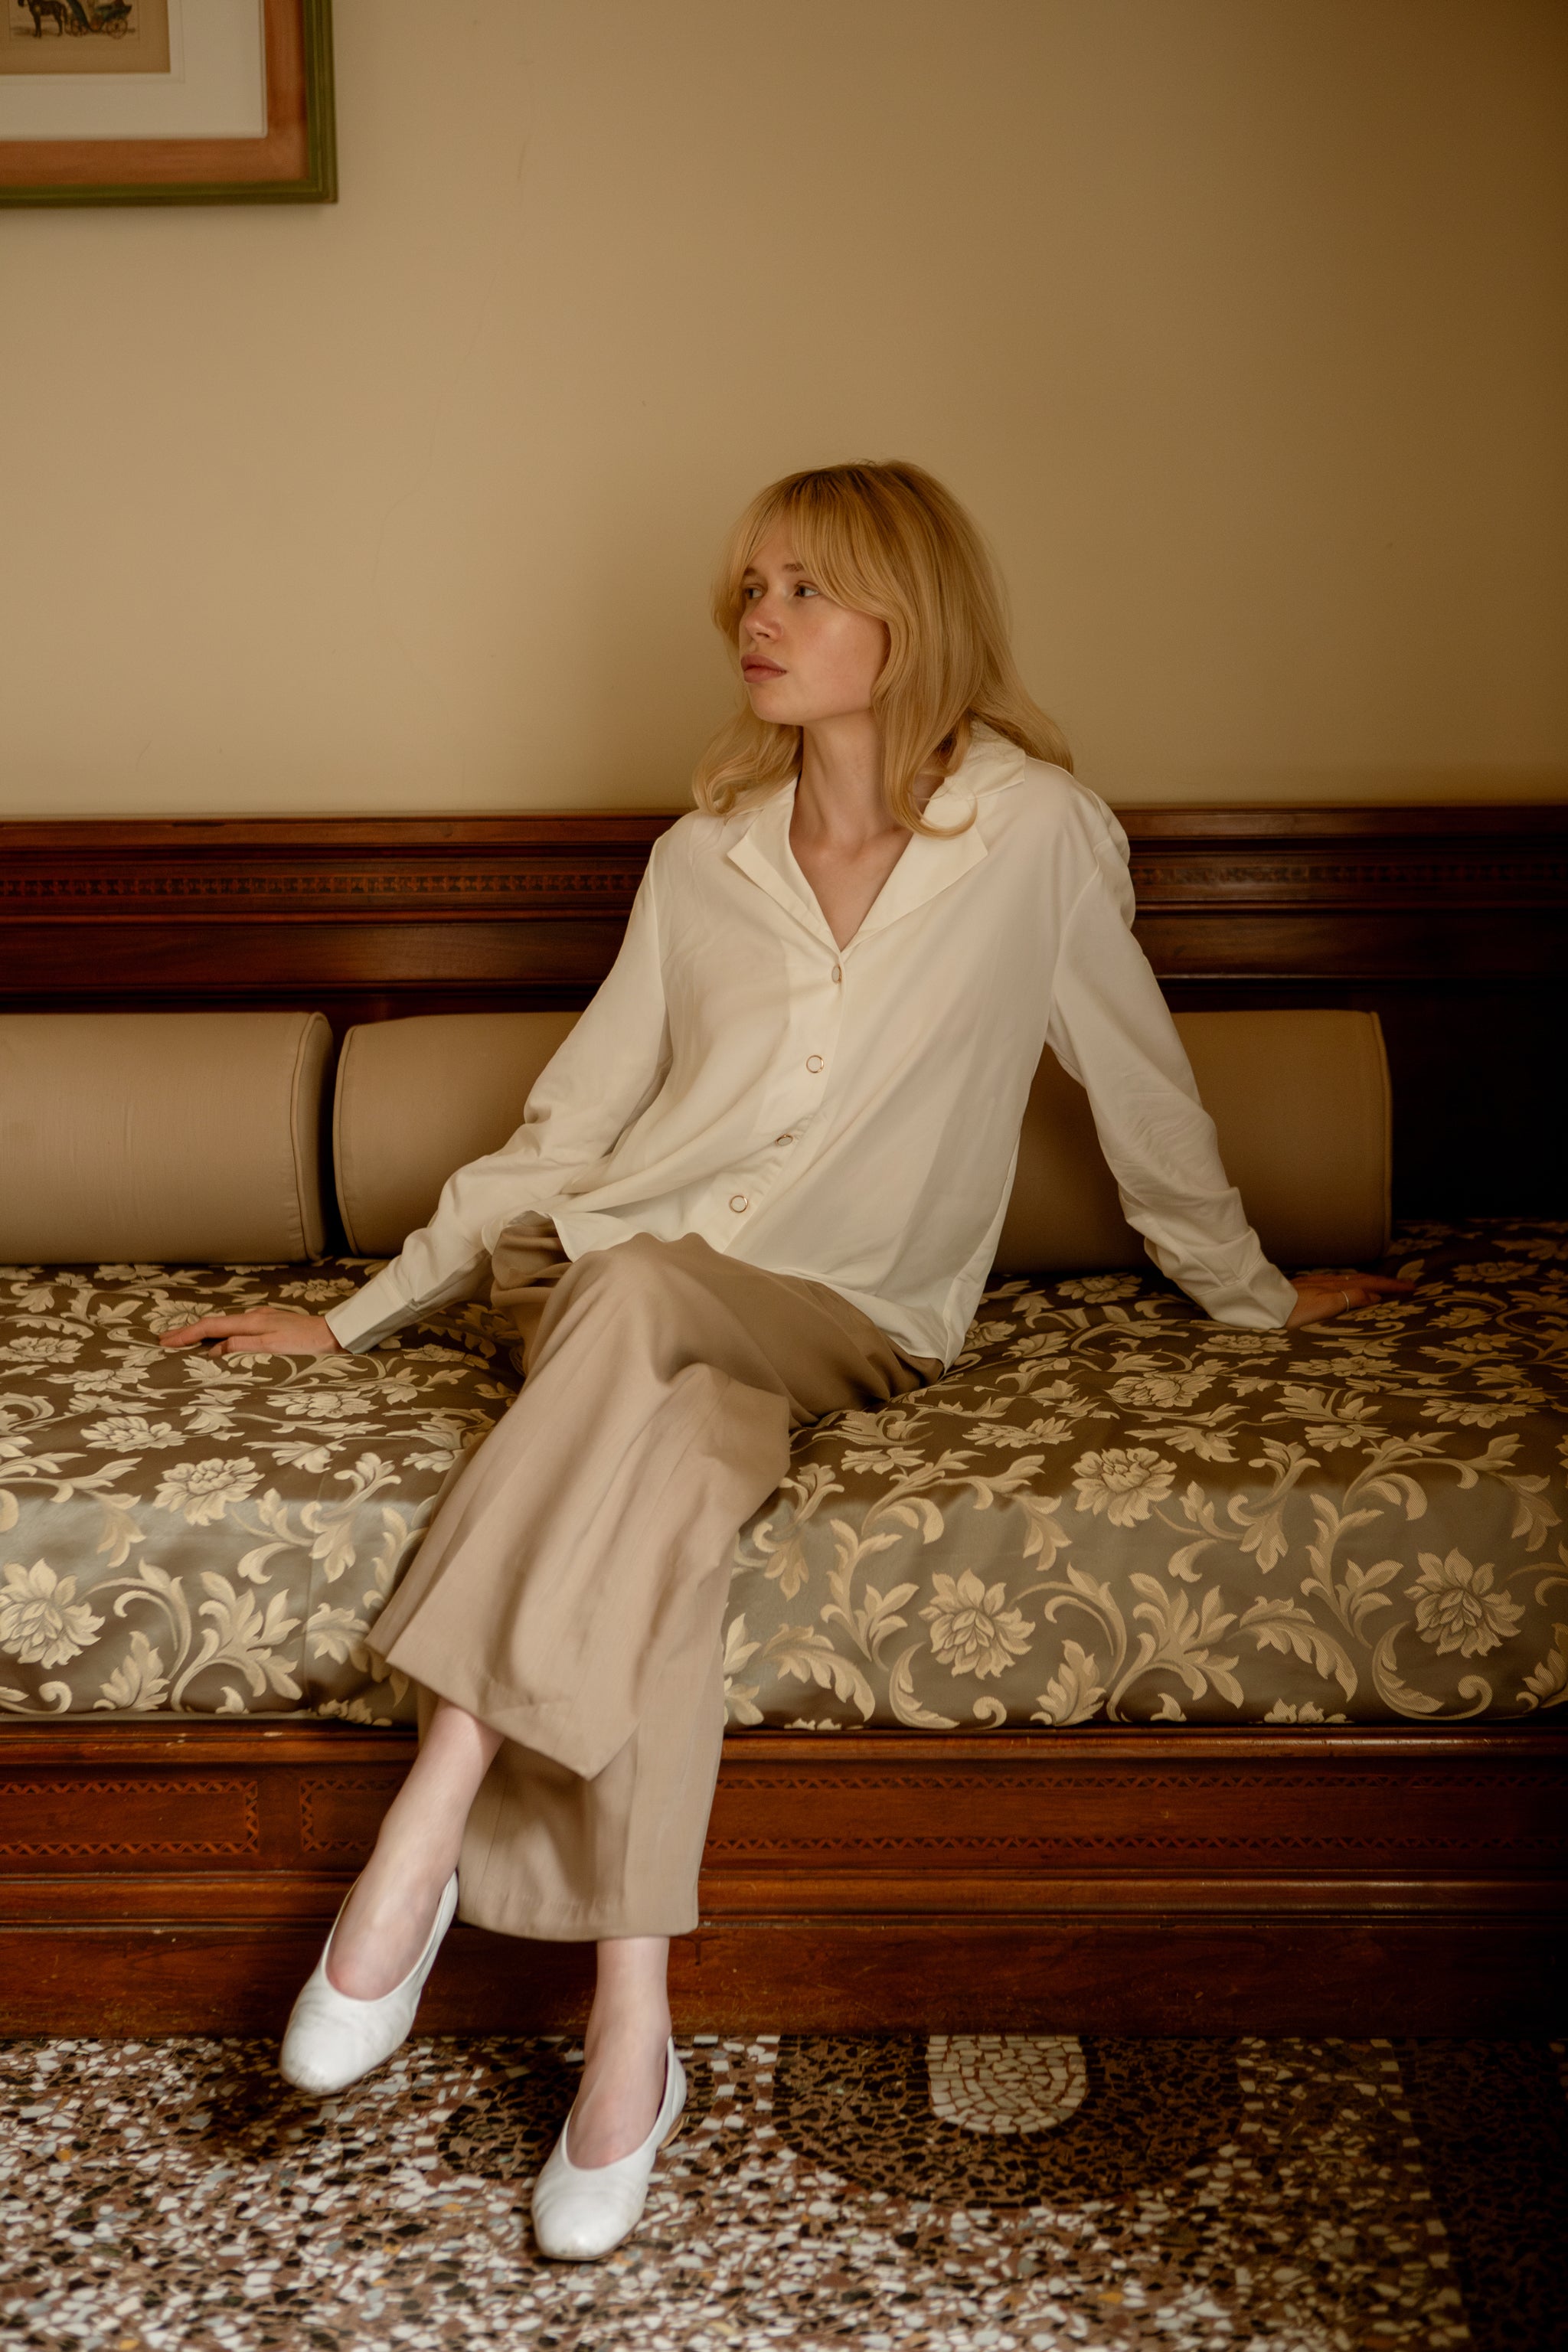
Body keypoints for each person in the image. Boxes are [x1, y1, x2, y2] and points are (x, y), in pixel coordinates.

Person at [162, 459, 1408, 2259]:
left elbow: (1138, 1091)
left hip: (848, 1311)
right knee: (663, 1416)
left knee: (663, 1356)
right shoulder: (702, 862)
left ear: (914, 614)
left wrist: (1249, 1295)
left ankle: (427, 1816)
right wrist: (357, 1314)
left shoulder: (1037, 837)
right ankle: (628, 2034)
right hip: (595, 1277)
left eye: (807, 586)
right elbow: (572, 1125)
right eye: (751, 586)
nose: (760, 616)